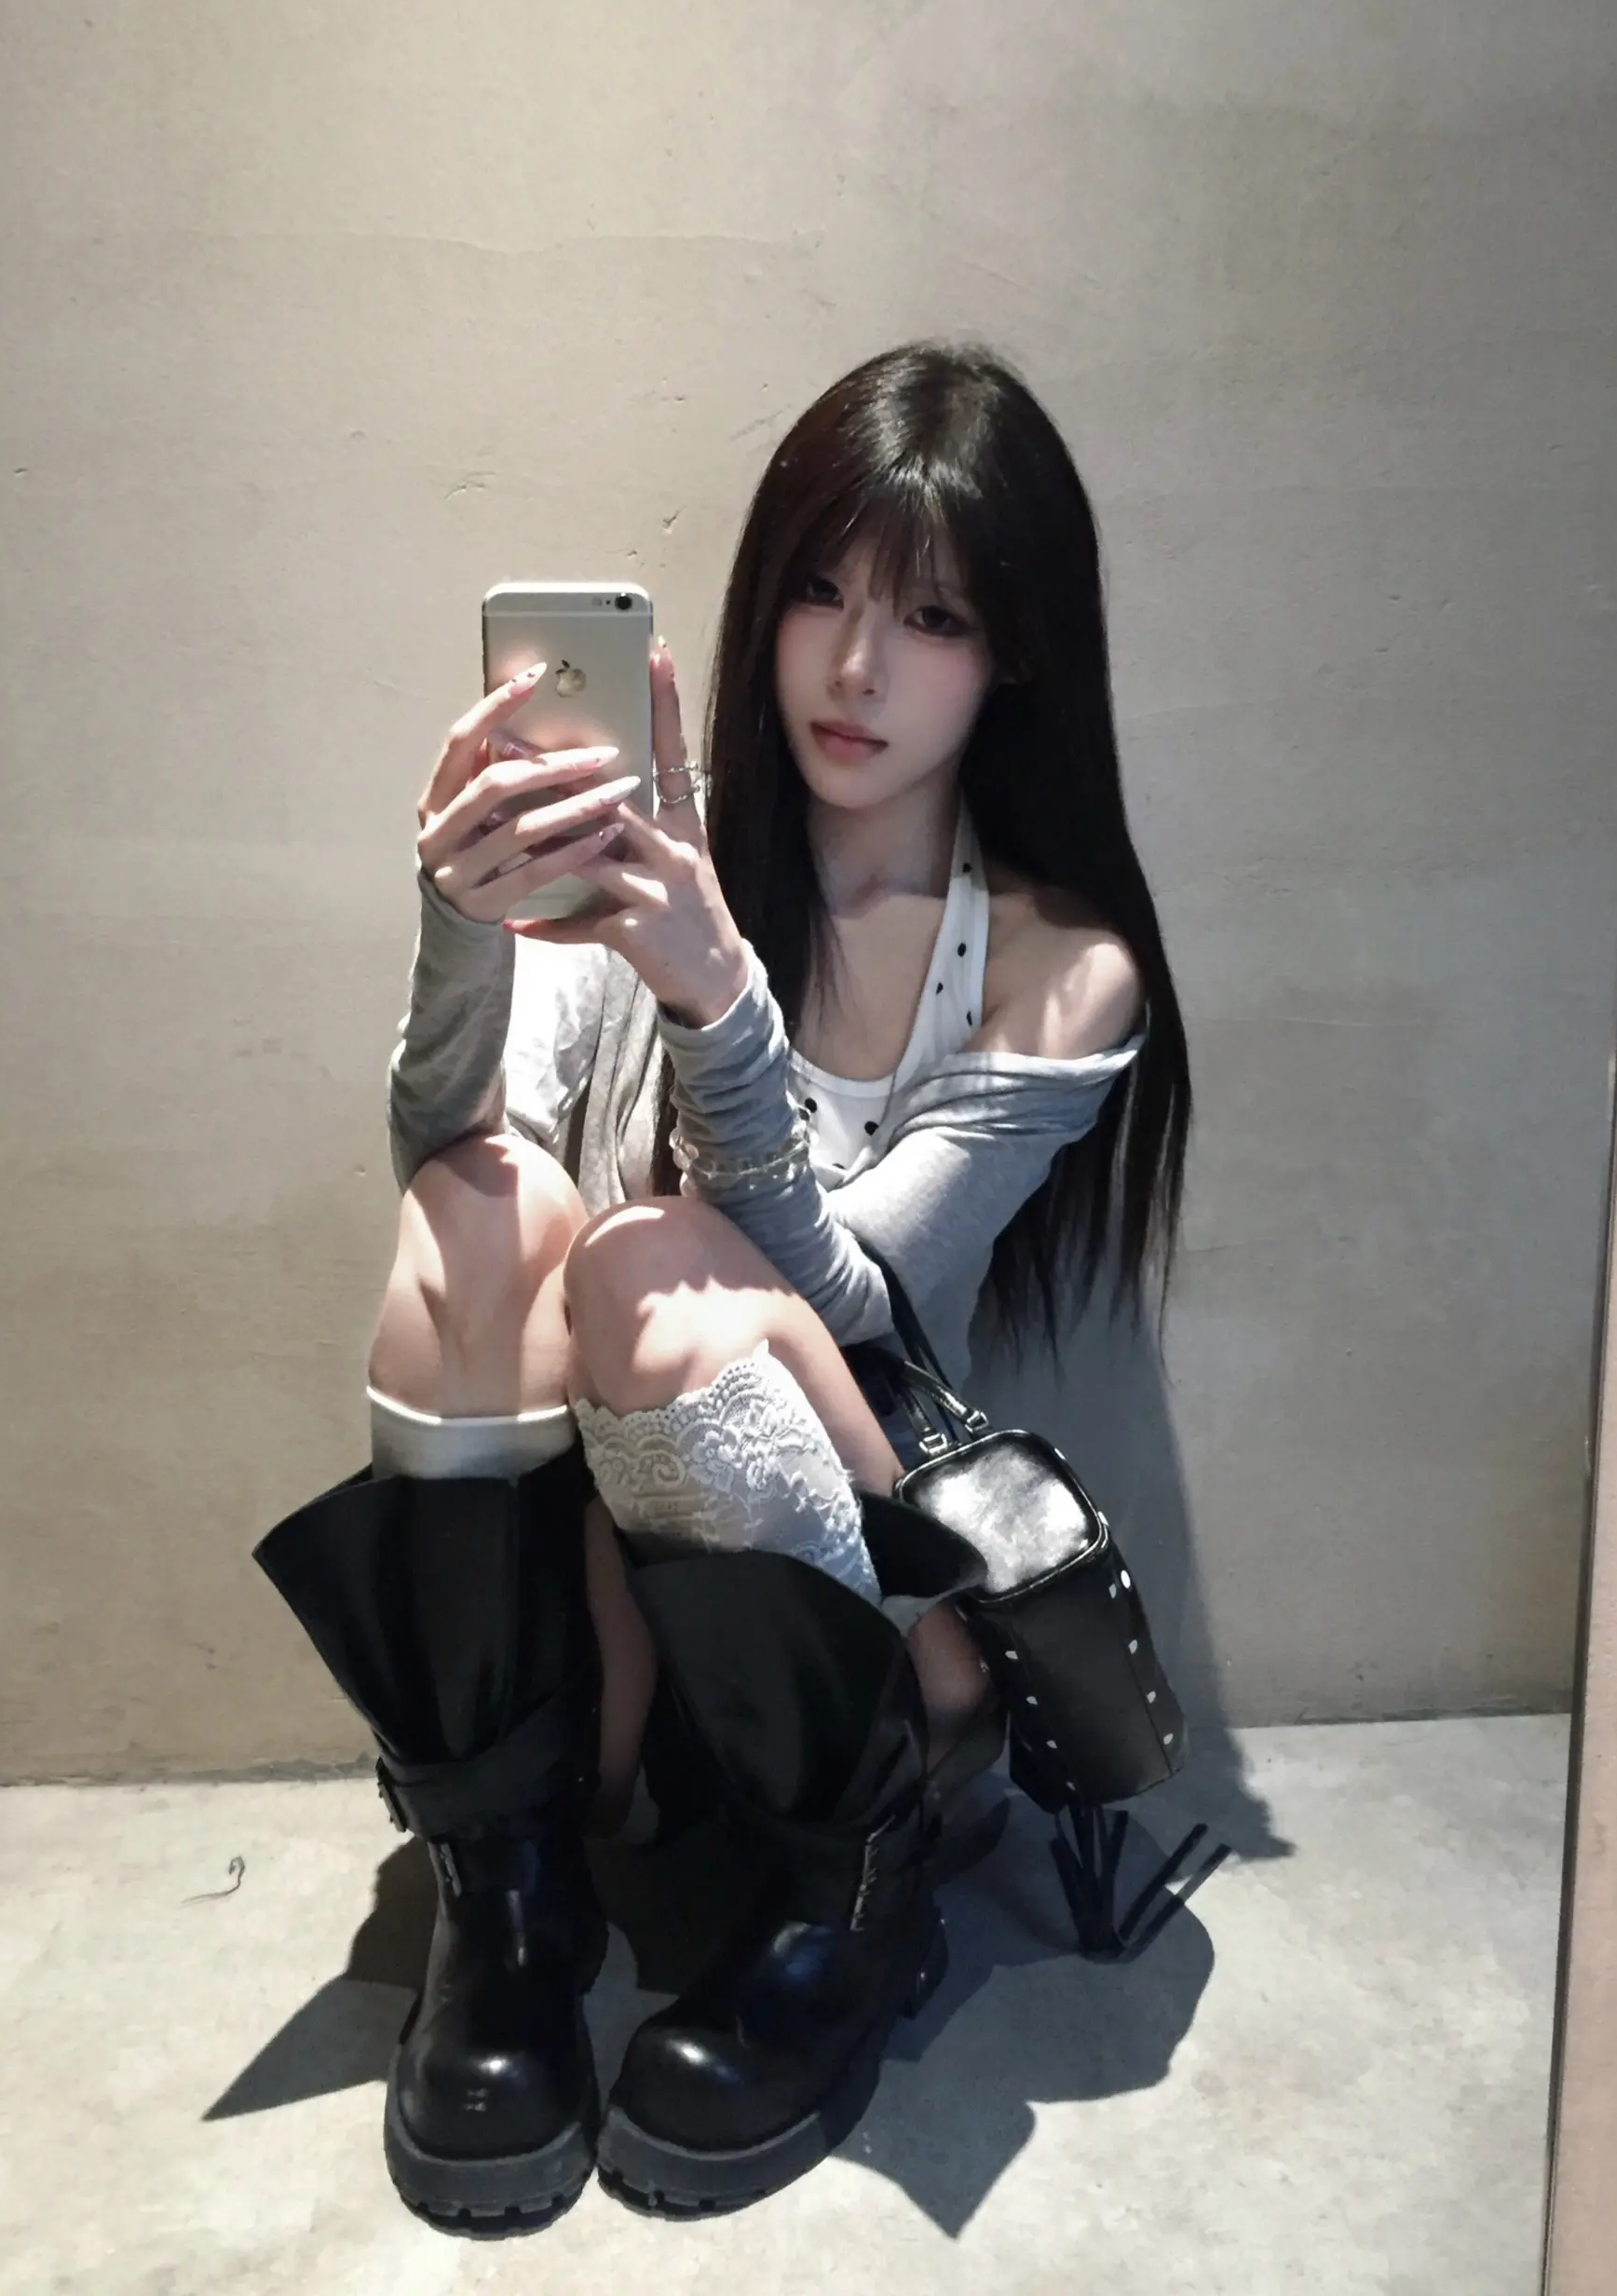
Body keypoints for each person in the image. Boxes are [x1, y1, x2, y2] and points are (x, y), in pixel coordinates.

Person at [254, 342, 1191, 2229]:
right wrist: (463, 926)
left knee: (656, 1273)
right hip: (606, 1642)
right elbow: (457, 1154)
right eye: (824, 592)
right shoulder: (653, 868)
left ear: (1013, 652)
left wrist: (715, 999)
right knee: (485, 1210)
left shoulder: (1053, 968)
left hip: (862, 1612)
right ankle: (510, 1899)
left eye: (932, 616)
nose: (859, 667)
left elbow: (848, 1301)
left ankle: (854, 1891)